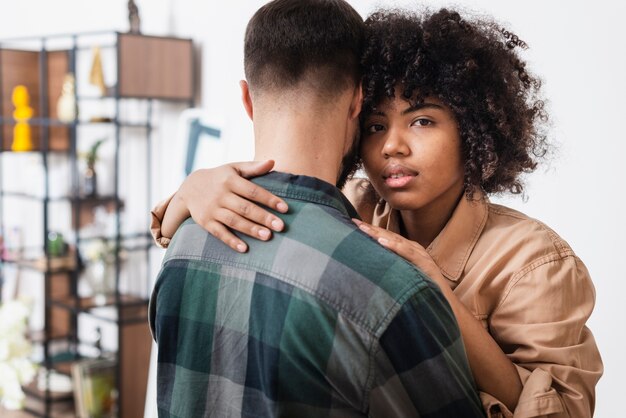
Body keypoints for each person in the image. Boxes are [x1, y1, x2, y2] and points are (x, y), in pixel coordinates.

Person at [151, 7, 603, 417]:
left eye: (422, 121)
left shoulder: (534, 262)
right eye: (375, 125)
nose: (392, 145)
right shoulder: (355, 203)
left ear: (471, 126)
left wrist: (437, 295)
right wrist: (197, 187)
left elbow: (560, 410)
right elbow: (268, 193)